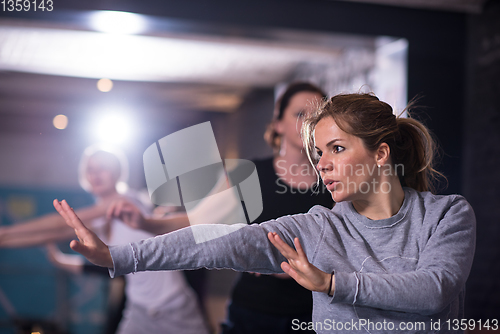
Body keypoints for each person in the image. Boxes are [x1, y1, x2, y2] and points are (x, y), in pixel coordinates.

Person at [57, 93, 476, 334]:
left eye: (337, 149)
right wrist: (119, 257)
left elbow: (433, 290)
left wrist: (331, 284)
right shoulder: (318, 226)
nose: (322, 164)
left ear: (381, 153)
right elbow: (215, 242)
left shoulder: (446, 215)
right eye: (317, 154)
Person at [106, 82, 334, 334]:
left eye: (316, 115)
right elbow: (198, 221)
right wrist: (145, 223)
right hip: (252, 313)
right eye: (300, 114)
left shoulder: (336, 183)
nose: (308, 122)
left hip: (311, 317)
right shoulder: (249, 175)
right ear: (278, 123)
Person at [0, 145, 209, 334]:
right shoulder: (100, 218)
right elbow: (54, 233)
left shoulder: (124, 201)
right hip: (138, 309)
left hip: (174, 307)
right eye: (91, 169)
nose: (95, 174)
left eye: (103, 168)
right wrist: (5, 240)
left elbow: (59, 223)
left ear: (117, 173)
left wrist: (7, 232)